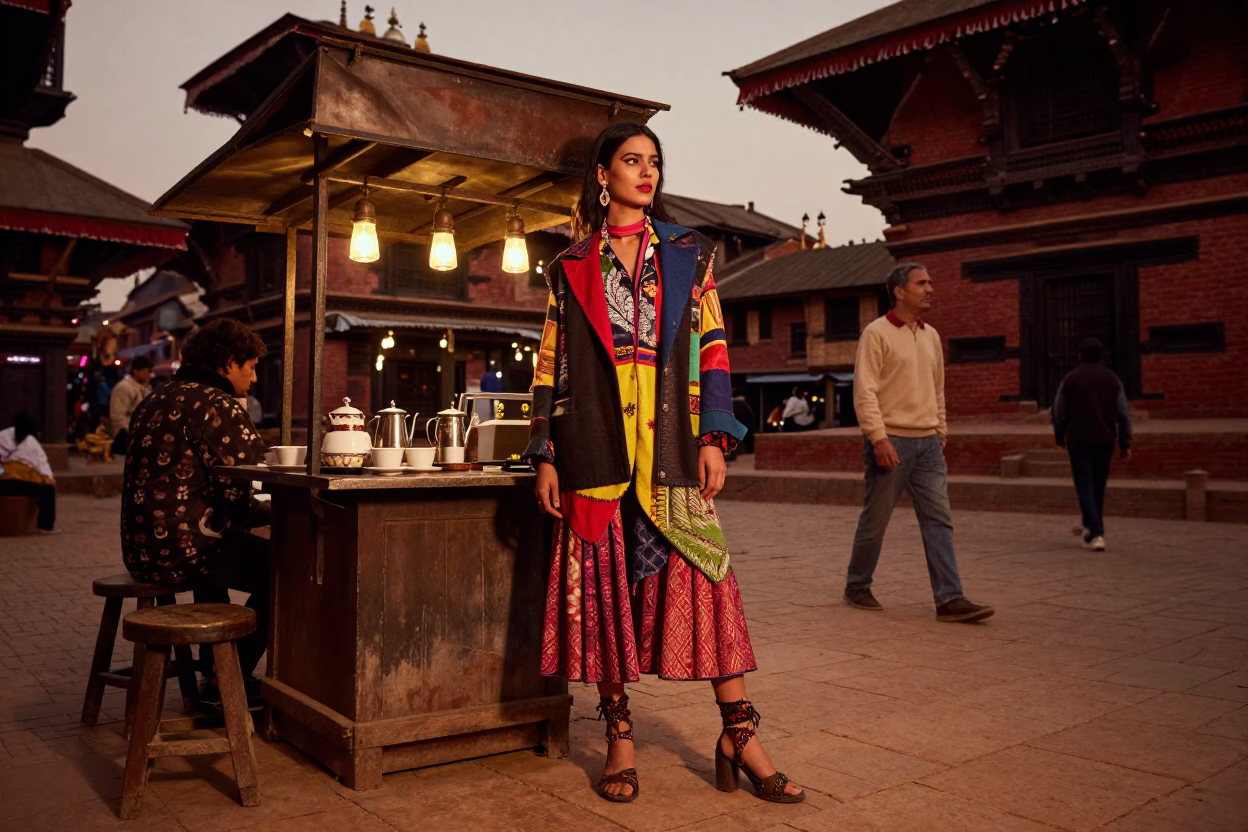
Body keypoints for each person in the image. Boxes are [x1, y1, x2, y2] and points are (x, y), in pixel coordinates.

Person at [525, 122, 803, 805]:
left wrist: (714, 436)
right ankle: (619, 736)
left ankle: (739, 734)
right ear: (603, 175)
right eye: (632, 161)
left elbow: (713, 345)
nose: (647, 172)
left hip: (671, 447)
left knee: (711, 582)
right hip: (594, 450)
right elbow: (550, 364)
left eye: (654, 161)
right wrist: (545, 450)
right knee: (605, 599)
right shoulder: (569, 267)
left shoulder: (687, 253)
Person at [120, 319, 270, 702]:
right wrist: (283, 510)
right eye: (251, 367)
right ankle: (227, 679)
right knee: (289, 570)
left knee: (222, 537)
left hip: (140, 550)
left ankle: (214, 671)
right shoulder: (217, 404)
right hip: (186, 550)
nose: (253, 378)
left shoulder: (154, 398)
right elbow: (243, 496)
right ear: (229, 362)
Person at [845, 263, 993, 623]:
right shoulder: (876, 334)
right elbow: (864, 391)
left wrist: (940, 432)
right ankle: (857, 585)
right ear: (899, 291)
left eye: (930, 282)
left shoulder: (931, 336)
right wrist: (878, 438)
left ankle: (949, 598)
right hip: (891, 440)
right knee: (876, 520)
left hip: (928, 443)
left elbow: (936, 389)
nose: (930, 289)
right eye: (922, 283)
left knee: (939, 520)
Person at [1052, 337, 1133, 552]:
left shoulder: (1071, 379)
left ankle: (1096, 531)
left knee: (1084, 485)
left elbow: (1059, 412)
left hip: (1079, 438)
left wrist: (1059, 436)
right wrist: (1125, 441)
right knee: (1098, 485)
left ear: (1080, 356)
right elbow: (1123, 414)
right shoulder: (1112, 379)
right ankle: (1092, 528)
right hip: (1105, 438)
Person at [0, 411, 57, 533]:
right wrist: (50, 480)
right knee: (48, 489)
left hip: (6, 482)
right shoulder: (32, 442)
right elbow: (42, 467)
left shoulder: (3, 436)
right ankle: (46, 526)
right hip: (22, 484)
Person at [109, 356, 153, 457]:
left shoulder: (146, 387)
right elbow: (117, 414)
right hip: (129, 437)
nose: (148, 374)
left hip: (142, 436)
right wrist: (127, 434)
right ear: (135, 371)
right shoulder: (124, 387)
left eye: (150, 371)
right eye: (146, 371)